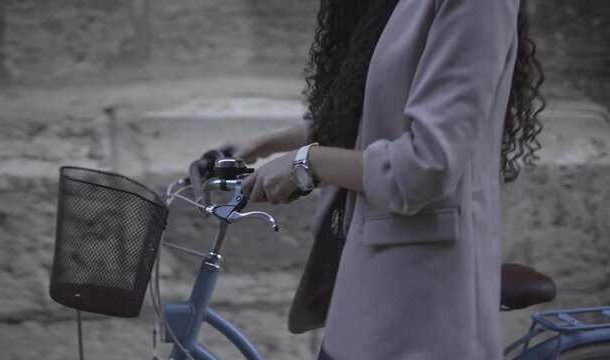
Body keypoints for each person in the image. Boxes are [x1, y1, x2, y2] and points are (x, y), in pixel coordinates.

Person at [221, 0, 545, 358]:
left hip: (420, 299)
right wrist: (268, 143)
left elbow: (426, 166)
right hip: (362, 282)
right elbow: (370, 117)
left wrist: (306, 163)